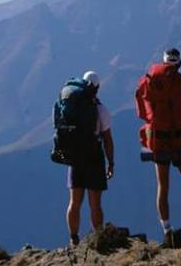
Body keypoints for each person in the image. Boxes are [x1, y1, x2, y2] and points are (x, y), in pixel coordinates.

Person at [135, 48, 181, 243]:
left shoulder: (148, 85)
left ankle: (167, 229)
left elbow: (142, 113)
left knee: (163, 187)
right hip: (180, 141)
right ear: (179, 63)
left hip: (158, 142)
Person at [65, 71, 114, 247]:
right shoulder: (101, 109)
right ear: (98, 88)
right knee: (95, 204)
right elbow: (107, 139)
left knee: (74, 202)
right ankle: (98, 238)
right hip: (94, 157)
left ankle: (73, 238)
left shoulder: (72, 105)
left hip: (75, 158)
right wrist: (111, 163)